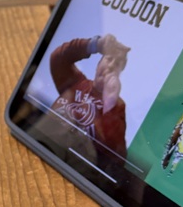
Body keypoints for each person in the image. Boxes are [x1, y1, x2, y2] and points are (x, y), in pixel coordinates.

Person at [49, 33, 130, 161]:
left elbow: (116, 156)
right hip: (43, 143)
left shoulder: (117, 107)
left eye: (118, 64)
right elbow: (58, 58)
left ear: (120, 73)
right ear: (99, 63)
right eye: (109, 59)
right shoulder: (76, 82)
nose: (111, 66)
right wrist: (94, 45)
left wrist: (109, 103)